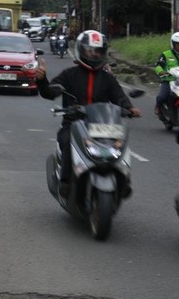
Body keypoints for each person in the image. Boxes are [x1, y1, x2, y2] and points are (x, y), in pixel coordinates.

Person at [36, 30, 141, 196]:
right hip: (75, 123)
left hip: (102, 124)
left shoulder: (107, 78)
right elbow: (50, 92)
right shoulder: (69, 75)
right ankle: (65, 182)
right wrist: (41, 80)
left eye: (97, 50)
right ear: (81, 50)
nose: (93, 54)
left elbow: (119, 96)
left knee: (120, 141)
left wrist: (130, 108)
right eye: (89, 50)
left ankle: (124, 178)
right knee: (67, 138)